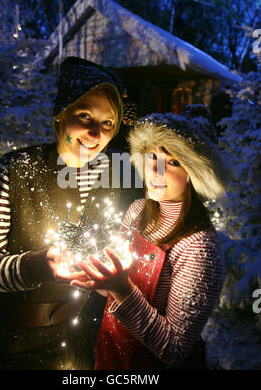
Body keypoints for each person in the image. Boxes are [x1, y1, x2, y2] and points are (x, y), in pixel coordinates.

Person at [0, 57, 141, 370]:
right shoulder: (16, 171)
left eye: (107, 124)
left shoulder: (115, 177)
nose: (93, 132)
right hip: (18, 345)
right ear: (62, 116)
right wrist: (38, 266)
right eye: (84, 116)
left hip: (86, 341)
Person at [70, 112, 232, 370]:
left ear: (194, 174)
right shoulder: (136, 211)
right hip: (111, 355)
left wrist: (122, 289)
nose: (156, 170)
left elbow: (175, 350)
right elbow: (115, 287)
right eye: (153, 157)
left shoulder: (199, 247)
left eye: (174, 162)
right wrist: (95, 278)